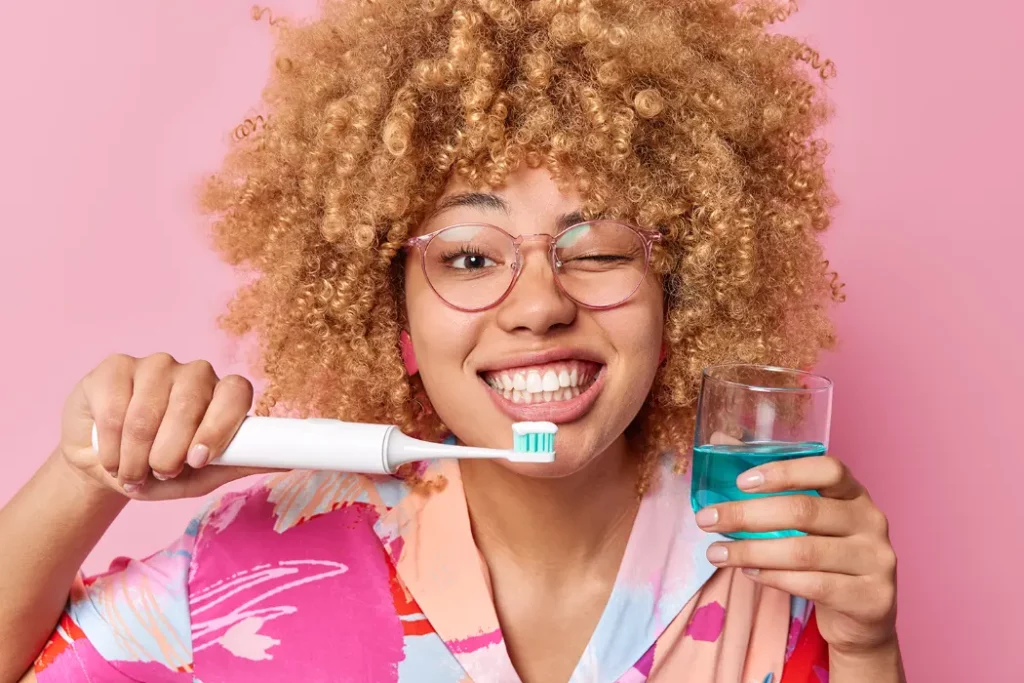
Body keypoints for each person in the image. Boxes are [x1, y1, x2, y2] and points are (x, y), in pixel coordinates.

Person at [0, 0, 905, 681]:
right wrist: (85, 471)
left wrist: (868, 644)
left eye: (599, 249)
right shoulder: (258, 554)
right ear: (395, 321)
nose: (540, 305)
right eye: (472, 256)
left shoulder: (779, 563)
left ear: (676, 302)